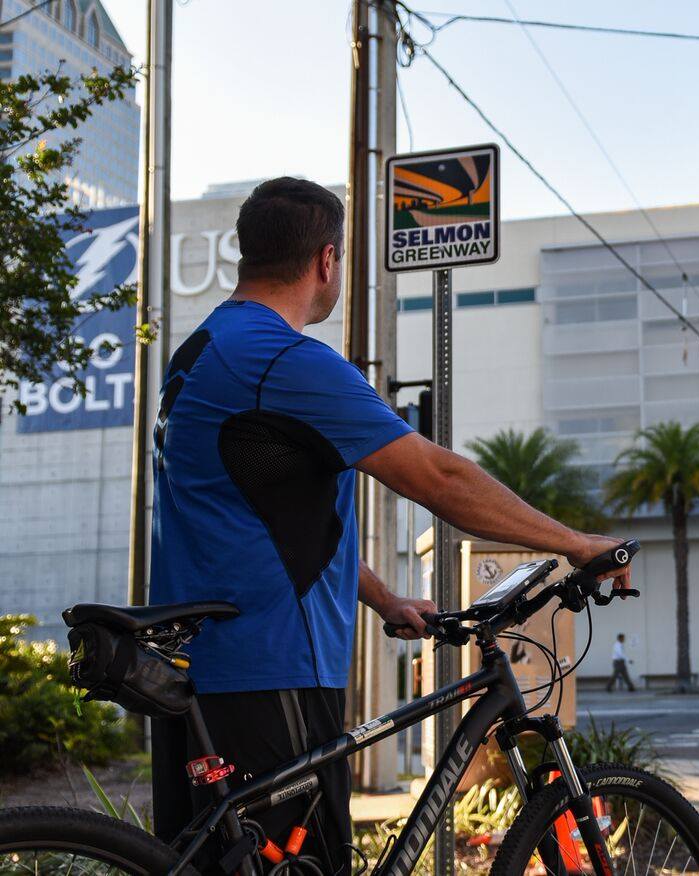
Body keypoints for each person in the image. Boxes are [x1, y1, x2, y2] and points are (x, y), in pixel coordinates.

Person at [148, 177, 631, 873]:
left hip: (201, 671)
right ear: (325, 261)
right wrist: (580, 544)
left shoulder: (200, 353)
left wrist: (385, 598)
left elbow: (261, 517)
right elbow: (439, 477)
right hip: (269, 673)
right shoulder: (281, 359)